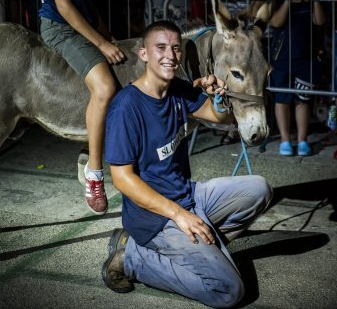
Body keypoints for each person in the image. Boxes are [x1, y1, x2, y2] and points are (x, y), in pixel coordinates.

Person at [103, 20, 272, 306]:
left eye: (175, 48)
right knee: (229, 291)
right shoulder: (126, 107)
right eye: (160, 48)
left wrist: (218, 96)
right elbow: (122, 179)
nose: (170, 55)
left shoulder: (178, 89)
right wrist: (179, 215)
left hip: (190, 196)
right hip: (155, 218)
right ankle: (133, 258)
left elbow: (218, 116)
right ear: (143, 53)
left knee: (260, 189)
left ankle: (200, 247)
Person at [36, 0, 126, 215]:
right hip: (59, 27)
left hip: (80, 24)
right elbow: (64, 7)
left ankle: (95, 151)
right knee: (105, 87)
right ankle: (94, 173)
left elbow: (85, 1)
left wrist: (106, 33)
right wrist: (100, 43)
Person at [270, 0, 326, 157]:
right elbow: (276, 22)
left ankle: (302, 141)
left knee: (303, 100)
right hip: (282, 58)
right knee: (282, 100)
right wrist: (287, 2)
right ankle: (285, 140)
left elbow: (320, 21)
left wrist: (315, 0)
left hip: (306, 58)